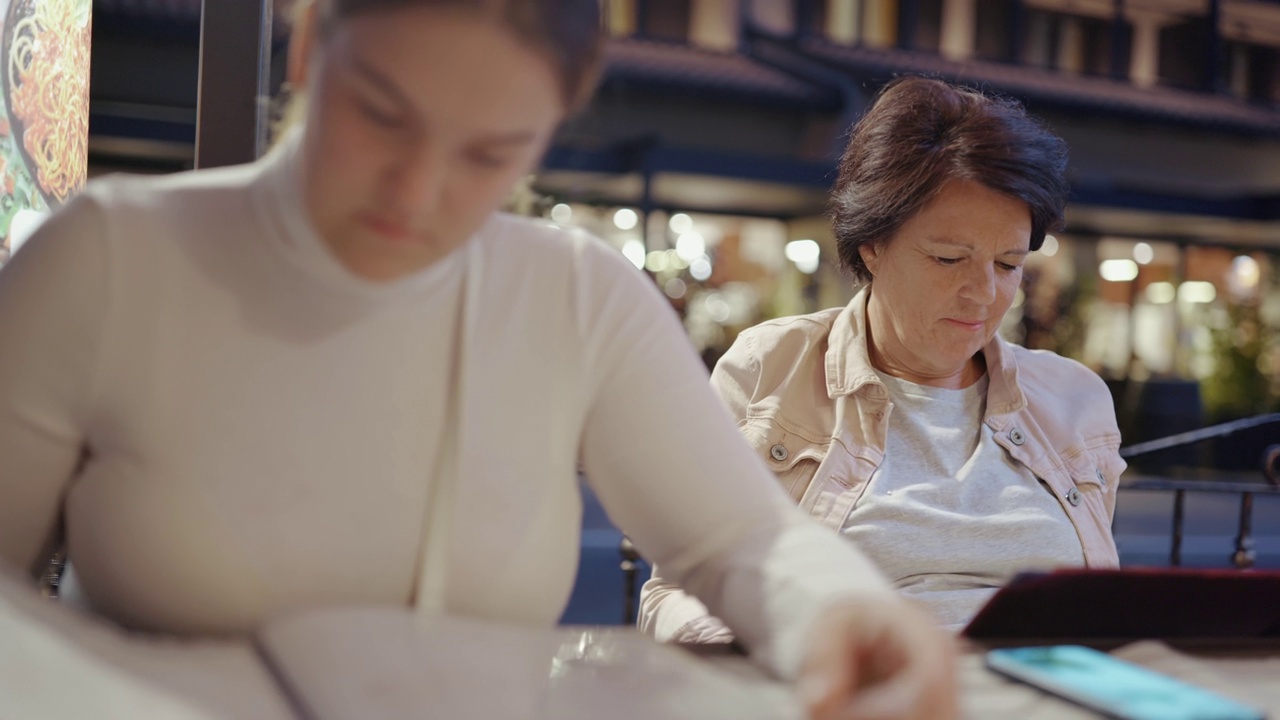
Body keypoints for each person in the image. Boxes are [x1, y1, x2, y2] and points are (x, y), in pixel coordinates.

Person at [0, 2, 956, 718]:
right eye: (381, 115)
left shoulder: (573, 293)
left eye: (489, 153)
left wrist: (839, 610)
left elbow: (738, 542)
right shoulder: (109, 258)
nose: (415, 193)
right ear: (309, 46)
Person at [640, 77, 1124, 643]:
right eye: (949, 259)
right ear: (873, 244)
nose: (984, 292)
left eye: (1009, 264)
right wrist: (785, 650)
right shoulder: (773, 368)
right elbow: (675, 595)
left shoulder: (1072, 399)